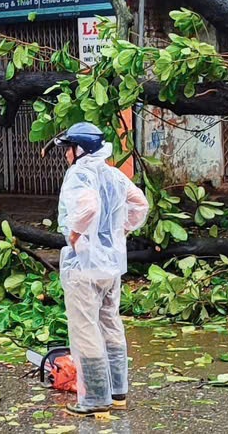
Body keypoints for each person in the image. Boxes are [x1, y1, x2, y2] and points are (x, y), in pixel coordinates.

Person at [51, 122, 149, 417]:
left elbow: (88, 208)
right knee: (110, 323)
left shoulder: (79, 174)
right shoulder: (113, 174)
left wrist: (75, 236)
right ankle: (118, 392)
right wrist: (120, 232)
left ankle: (94, 398)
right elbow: (140, 204)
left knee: (85, 329)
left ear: (79, 150)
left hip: (84, 267)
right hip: (110, 265)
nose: (66, 155)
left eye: (68, 149)